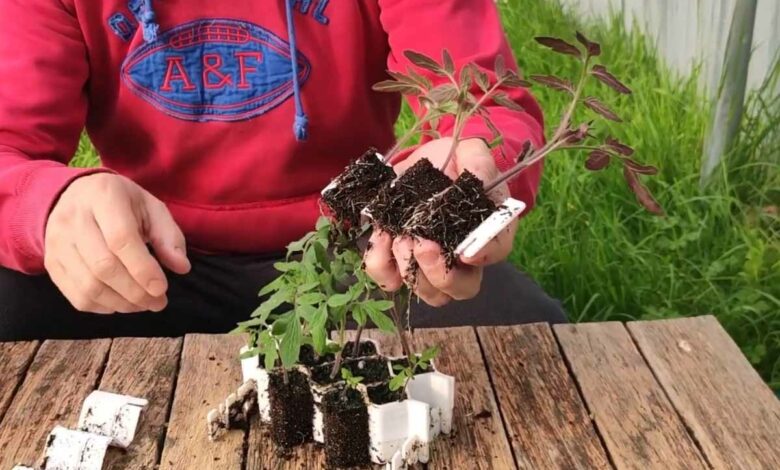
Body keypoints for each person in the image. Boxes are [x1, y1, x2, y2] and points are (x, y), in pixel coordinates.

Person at [0, 0, 565, 341]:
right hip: (147, 257)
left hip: (362, 249)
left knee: (523, 337)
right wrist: (48, 205)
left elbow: (482, 101)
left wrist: (469, 159)